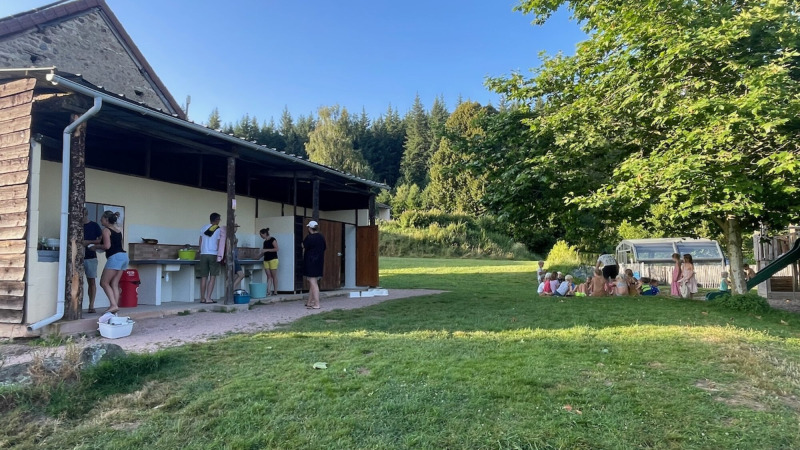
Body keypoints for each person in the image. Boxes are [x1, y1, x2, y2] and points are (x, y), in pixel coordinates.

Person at [94, 211, 128, 314]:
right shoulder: (118, 230)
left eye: (102, 218)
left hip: (115, 257)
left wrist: (95, 247)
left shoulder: (106, 230)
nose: (100, 220)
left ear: (106, 219)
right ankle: (115, 307)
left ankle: (113, 305)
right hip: (124, 257)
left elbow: (107, 246)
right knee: (114, 283)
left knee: (104, 282)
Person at [198, 213, 222, 304]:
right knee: (212, 277)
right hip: (213, 254)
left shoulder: (203, 228)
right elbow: (219, 243)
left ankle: (202, 298)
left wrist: (200, 250)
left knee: (203, 277)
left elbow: (200, 240)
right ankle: (208, 298)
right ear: (217, 220)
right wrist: (220, 254)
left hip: (203, 254)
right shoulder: (218, 229)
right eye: (219, 219)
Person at [82, 207, 102, 313]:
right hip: (77, 257)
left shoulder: (94, 225)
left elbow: (101, 240)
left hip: (90, 256)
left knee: (91, 281)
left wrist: (88, 242)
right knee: (76, 281)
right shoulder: (75, 226)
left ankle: (91, 305)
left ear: (86, 214)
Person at [302, 220, 326, 309]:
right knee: (313, 282)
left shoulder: (309, 237)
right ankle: (309, 302)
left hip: (310, 261)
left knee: (313, 282)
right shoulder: (321, 237)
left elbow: (303, 246)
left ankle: (317, 304)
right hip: (319, 261)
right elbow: (324, 247)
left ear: (309, 228)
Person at [260, 228, 280, 296]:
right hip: (266, 260)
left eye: (261, 235)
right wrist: (258, 257)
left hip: (273, 259)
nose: (261, 236)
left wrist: (267, 250)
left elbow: (276, 248)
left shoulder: (272, 239)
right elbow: (264, 251)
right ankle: (268, 291)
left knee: (274, 276)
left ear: (265, 234)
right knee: (268, 276)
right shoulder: (265, 242)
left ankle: (275, 291)